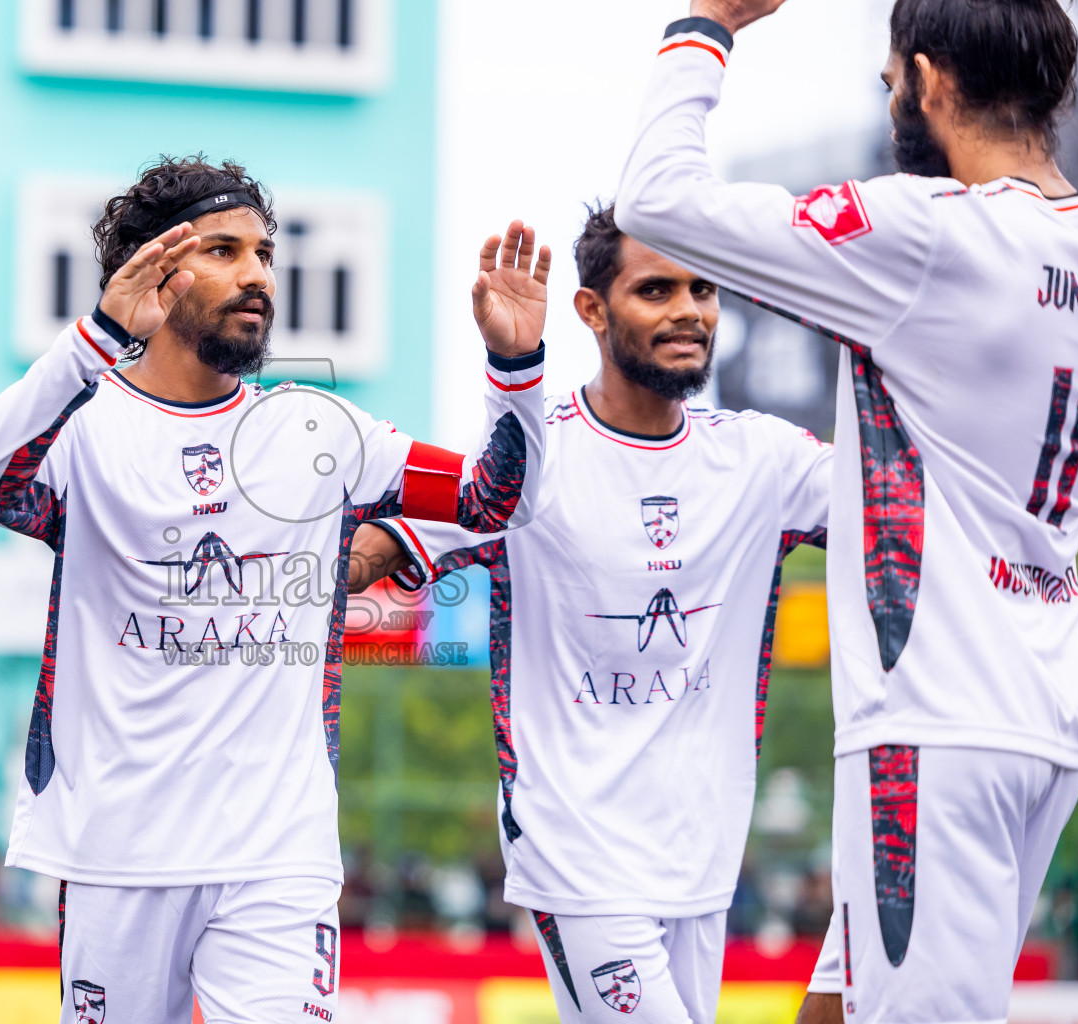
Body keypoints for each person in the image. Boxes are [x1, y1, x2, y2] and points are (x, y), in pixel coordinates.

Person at [0, 156, 549, 1022]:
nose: (257, 274)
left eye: (264, 253)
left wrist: (515, 366)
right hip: (118, 854)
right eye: (224, 250)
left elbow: (505, 499)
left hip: (278, 855)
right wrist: (95, 338)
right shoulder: (83, 426)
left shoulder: (318, 428)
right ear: (153, 271)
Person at [616, 2, 1078, 1021]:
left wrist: (705, 24)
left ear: (933, 80)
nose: (882, 86)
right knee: (836, 1006)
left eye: (891, 70)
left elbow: (652, 197)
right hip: (1043, 718)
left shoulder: (926, 234)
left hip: (936, 724)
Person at [349, 204, 831, 1023]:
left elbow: (911, 510)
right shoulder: (530, 466)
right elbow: (372, 549)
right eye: (656, 289)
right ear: (592, 310)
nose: (689, 309)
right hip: (574, 852)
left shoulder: (766, 463)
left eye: (703, 288)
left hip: (704, 860)